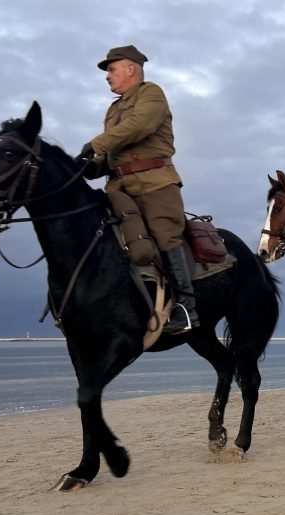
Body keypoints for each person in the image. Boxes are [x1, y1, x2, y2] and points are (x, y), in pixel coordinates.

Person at [77, 45, 197, 334]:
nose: (107, 76)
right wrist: (88, 166)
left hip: (154, 182)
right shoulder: (113, 109)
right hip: (118, 187)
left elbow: (138, 126)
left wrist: (96, 144)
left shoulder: (151, 93)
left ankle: (186, 308)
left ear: (131, 68)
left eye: (111, 69)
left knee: (165, 233)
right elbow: (110, 155)